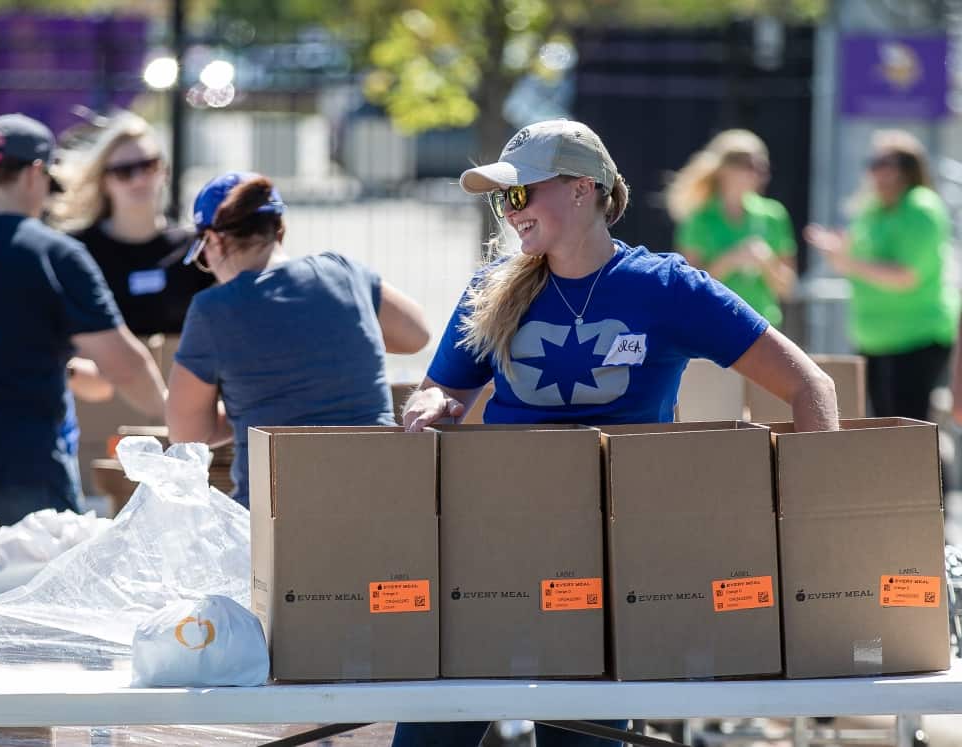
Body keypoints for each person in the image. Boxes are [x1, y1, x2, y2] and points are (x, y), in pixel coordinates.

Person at [398, 120, 836, 745]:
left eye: (519, 193)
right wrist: (432, 402)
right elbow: (445, 386)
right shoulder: (491, 288)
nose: (508, 211)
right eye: (502, 198)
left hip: (613, 567)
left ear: (582, 190)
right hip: (492, 548)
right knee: (430, 734)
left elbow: (810, 386)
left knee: (578, 736)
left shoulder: (666, 287)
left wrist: (817, 533)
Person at [0, 113, 166, 527]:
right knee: (39, 591)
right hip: (23, 476)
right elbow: (125, 366)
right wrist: (174, 418)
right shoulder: (54, 255)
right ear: (35, 173)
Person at [165, 171, 429, 507]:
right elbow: (417, 334)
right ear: (279, 228)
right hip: (381, 501)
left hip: (277, 516)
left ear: (215, 242)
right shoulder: (344, 272)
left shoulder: (213, 310)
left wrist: (251, 405)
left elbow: (187, 433)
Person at [807, 130, 958, 421]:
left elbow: (906, 275)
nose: (875, 170)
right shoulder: (871, 209)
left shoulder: (921, 207)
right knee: (882, 427)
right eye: (872, 162)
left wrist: (848, 262)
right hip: (873, 339)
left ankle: (938, 468)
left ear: (906, 168)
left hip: (917, 338)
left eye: (884, 163)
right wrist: (838, 251)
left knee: (911, 429)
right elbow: (856, 258)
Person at [51, 112, 212, 336]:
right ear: (104, 181)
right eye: (124, 171)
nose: (138, 179)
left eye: (148, 166)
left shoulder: (195, 249)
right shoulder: (75, 250)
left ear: (164, 171)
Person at [667, 129, 797, 328]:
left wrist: (766, 262)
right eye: (749, 165)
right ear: (724, 169)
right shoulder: (699, 218)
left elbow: (787, 288)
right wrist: (730, 260)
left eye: (762, 166)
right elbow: (687, 287)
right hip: (713, 326)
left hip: (762, 327)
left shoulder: (774, 215)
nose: (759, 173)